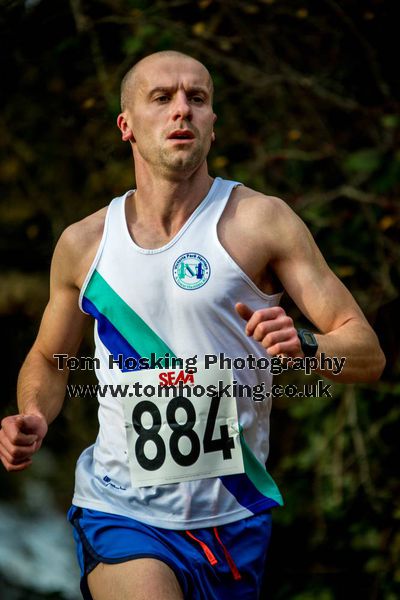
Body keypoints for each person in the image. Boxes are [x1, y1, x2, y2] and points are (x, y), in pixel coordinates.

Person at [0, 51, 385, 600]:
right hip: (120, 509)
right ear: (126, 125)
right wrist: (34, 413)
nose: (182, 110)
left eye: (196, 98)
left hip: (233, 516)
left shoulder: (261, 222)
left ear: (211, 124)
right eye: (162, 98)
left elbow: (366, 354)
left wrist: (306, 345)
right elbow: (47, 358)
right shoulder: (85, 245)